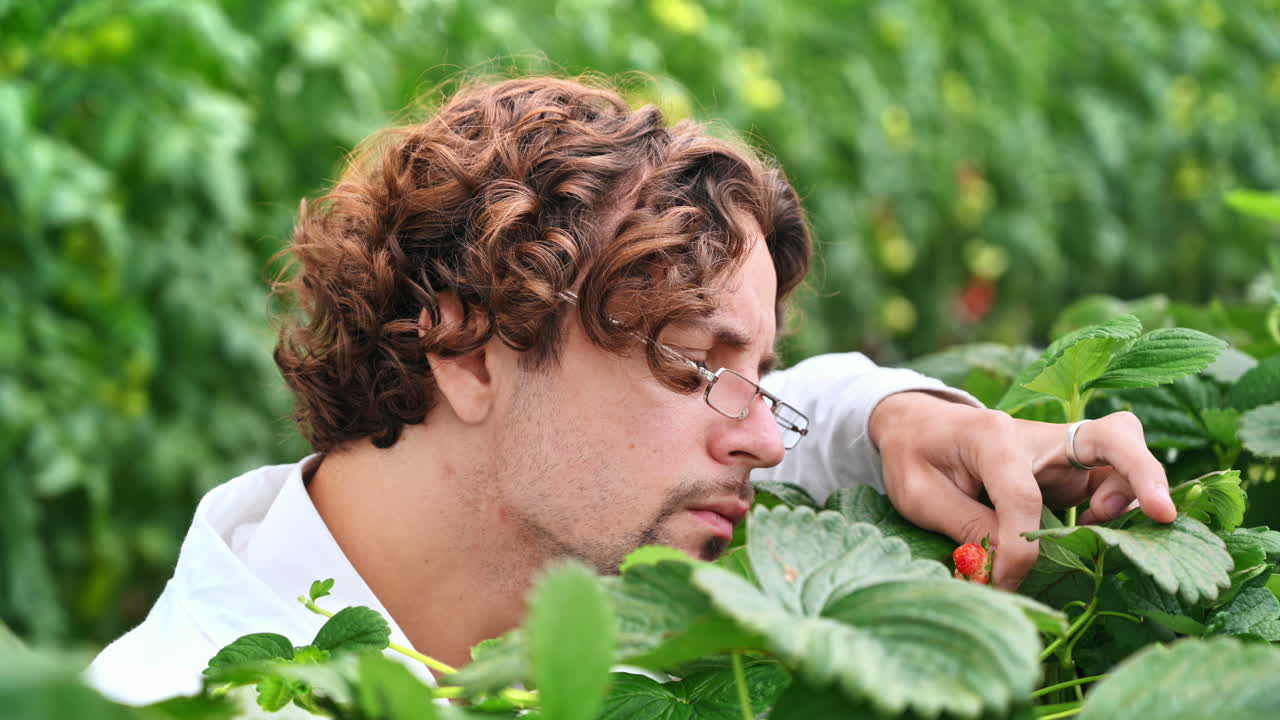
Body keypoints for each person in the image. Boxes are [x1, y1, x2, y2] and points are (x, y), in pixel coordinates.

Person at [87, 75, 1176, 705]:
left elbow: (822, 403)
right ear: (467, 357)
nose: (760, 436)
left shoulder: (596, 497)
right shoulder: (172, 697)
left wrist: (908, 415)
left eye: (761, 372)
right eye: (697, 365)